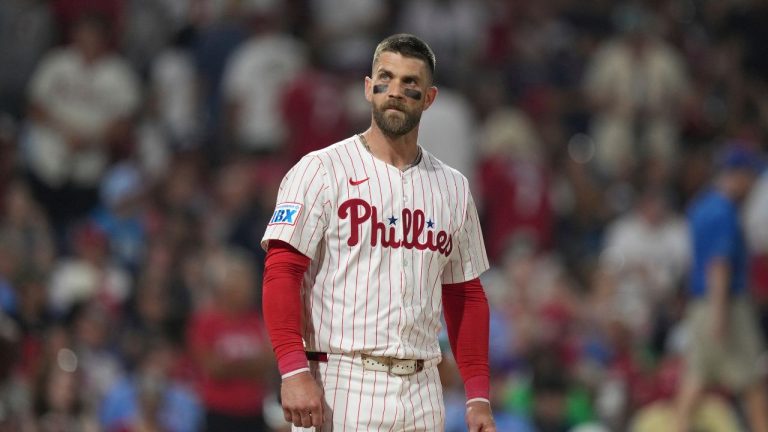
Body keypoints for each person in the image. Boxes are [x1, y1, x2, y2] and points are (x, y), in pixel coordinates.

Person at [261, 34, 496, 431]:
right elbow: (281, 271)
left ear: (429, 98)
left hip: (424, 386)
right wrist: (292, 370)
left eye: (411, 84)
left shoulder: (454, 187)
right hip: (341, 378)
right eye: (386, 78)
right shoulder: (321, 170)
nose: (396, 91)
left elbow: (465, 295)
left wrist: (477, 395)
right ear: (368, 88)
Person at [675, 145, 768, 432]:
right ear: (737, 175)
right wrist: (720, 314)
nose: (752, 184)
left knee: (697, 378)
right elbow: (719, 265)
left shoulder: (702, 205)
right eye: (750, 175)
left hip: (702, 303)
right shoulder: (724, 211)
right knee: (752, 382)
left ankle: (677, 427)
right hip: (724, 303)